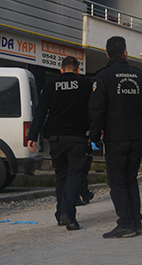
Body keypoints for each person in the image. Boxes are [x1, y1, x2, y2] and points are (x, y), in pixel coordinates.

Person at [89, 36, 142, 238]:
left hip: (115, 137)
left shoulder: (104, 76)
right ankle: (136, 222)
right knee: (131, 180)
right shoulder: (139, 76)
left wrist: (94, 135)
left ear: (107, 54)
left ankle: (126, 223)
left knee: (117, 182)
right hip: (136, 137)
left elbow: (97, 108)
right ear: (126, 53)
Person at [27, 56, 93, 230]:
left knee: (61, 175)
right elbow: (95, 108)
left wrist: (32, 136)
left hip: (55, 138)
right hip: (76, 137)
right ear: (77, 70)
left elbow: (40, 112)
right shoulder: (86, 84)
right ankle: (67, 214)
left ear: (61, 70)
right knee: (75, 174)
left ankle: (60, 213)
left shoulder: (50, 86)